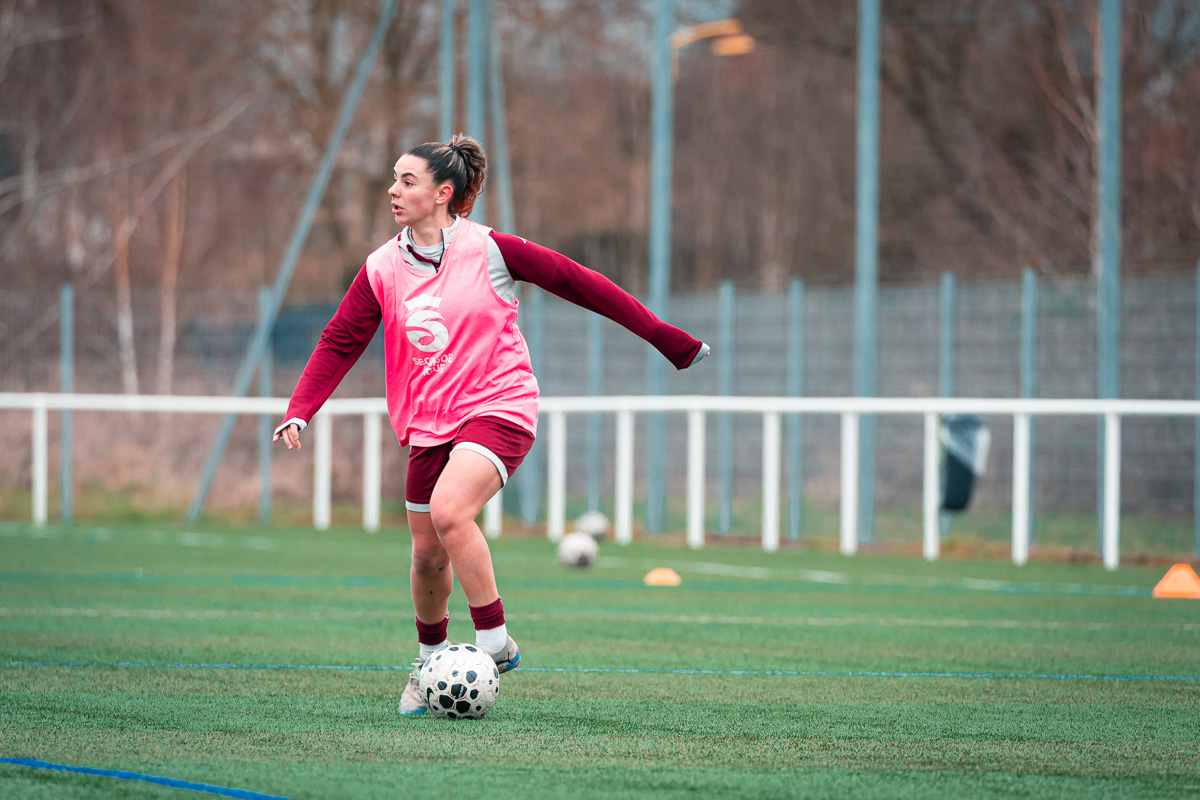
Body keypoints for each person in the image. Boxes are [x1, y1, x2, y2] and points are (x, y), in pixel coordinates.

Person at [273, 134, 709, 716]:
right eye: (394, 179)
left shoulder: (491, 250)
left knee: (451, 511)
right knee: (426, 556)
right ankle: (430, 663)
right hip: (428, 424)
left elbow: (579, 282)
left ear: (442, 193)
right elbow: (338, 340)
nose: (393, 190)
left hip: (499, 405)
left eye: (407, 181)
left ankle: (493, 640)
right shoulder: (380, 268)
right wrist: (300, 407)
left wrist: (665, 338)